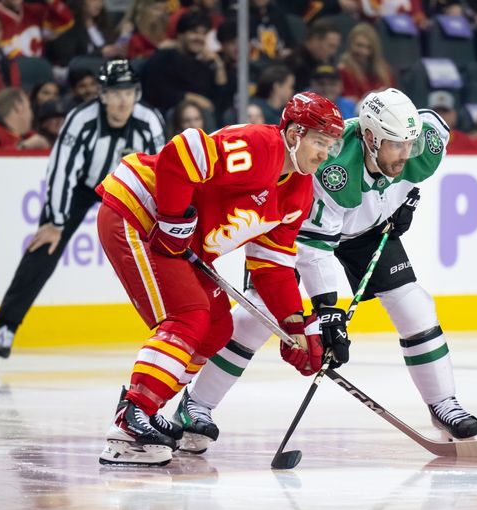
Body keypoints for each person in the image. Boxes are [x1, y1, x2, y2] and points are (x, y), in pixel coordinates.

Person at [178, 88, 477, 454]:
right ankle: (196, 405)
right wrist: (327, 314)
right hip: (295, 234)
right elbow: (314, 249)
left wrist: (403, 198)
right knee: (254, 319)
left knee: (414, 305)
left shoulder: (423, 146)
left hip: (368, 232)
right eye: (396, 146)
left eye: (410, 144)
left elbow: (433, 124)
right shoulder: (335, 168)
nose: (406, 155)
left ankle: (443, 403)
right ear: (369, 138)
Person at [94, 91, 345, 466]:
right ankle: (130, 422)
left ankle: (147, 407)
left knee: (216, 326)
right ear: (294, 134)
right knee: (190, 316)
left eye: (332, 146)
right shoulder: (261, 147)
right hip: (137, 213)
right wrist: (173, 219)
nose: (326, 154)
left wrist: (295, 325)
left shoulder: (298, 193)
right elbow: (184, 151)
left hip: (175, 241)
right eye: (320, 142)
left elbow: (272, 267)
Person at [0, 59, 166, 358]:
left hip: (130, 189)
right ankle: (6, 326)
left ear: (136, 94)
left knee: (163, 247)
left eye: (128, 93)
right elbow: (62, 170)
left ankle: (173, 323)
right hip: (84, 187)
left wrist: (166, 218)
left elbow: (163, 169)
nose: (122, 101)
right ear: (103, 94)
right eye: (115, 92)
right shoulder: (81, 120)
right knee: (45, 245)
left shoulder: (150, 120)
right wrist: (55, 221)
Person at [337, 22, 396, 102]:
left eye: (369, 47)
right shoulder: (342, 70)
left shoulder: (385, 70)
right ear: (350, 44)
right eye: (359, 45)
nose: (364, 52)